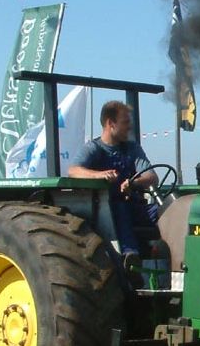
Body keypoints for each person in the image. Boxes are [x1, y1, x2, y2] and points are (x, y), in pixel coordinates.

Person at [68, 100, 159, 266]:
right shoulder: (93, 149)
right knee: (119, 207)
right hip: (106, 211)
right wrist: (99, 175)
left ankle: (172, 257)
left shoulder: (132, 149)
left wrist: (133, 183)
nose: (129, 127)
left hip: (135, 207)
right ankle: (130, 255)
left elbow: (152, 177)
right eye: (125, 122)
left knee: (163, 211)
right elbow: (73, 170)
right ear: (111, 123)